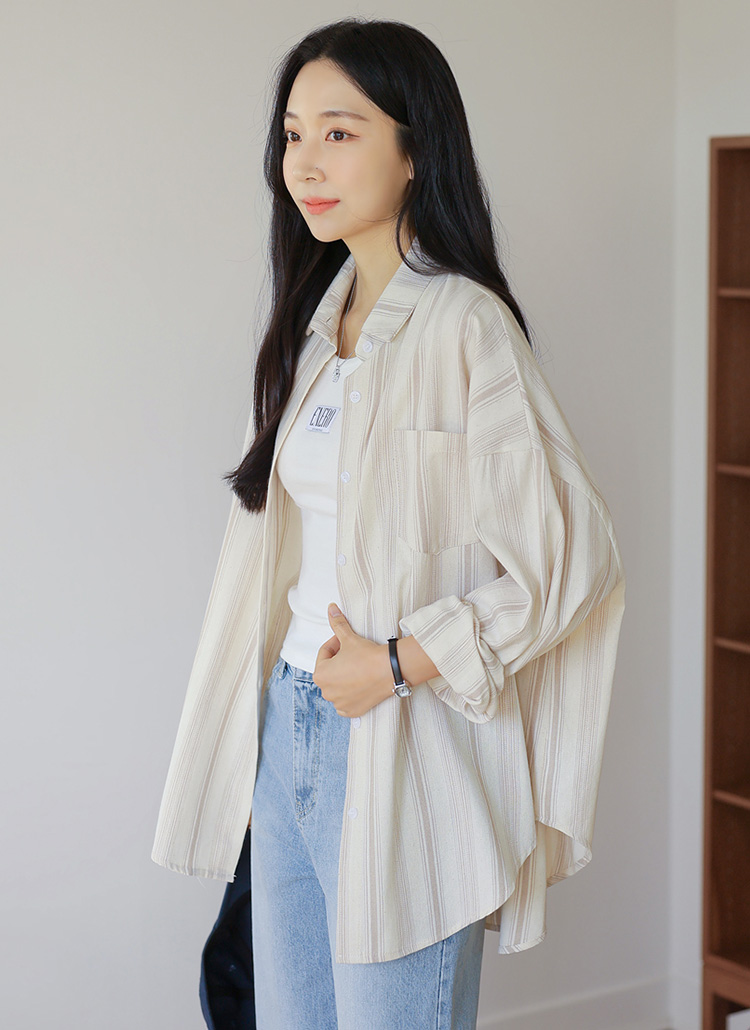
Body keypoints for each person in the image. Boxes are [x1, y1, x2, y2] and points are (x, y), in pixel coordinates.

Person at [152, 16, 627, 1030]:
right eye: (293, 135)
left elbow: (572, 559)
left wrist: (404, 661)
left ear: (416, 151)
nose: (305, 163)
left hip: (404, 742)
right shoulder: (313, 329)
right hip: (287, 725)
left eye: (340, 131)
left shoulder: (467, 327)